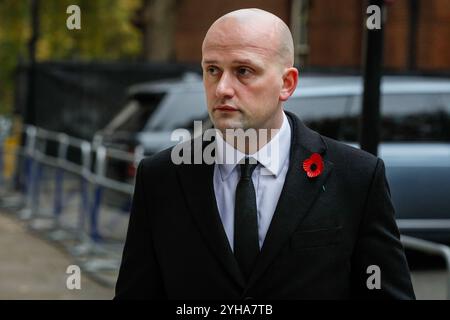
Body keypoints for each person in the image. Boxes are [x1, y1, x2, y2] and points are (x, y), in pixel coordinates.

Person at [115, 8, 415, 299]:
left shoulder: (357, 176)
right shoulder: (161, 177)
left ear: (287, 83)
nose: (222, 88)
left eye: (243, 71)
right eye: (212, 70)